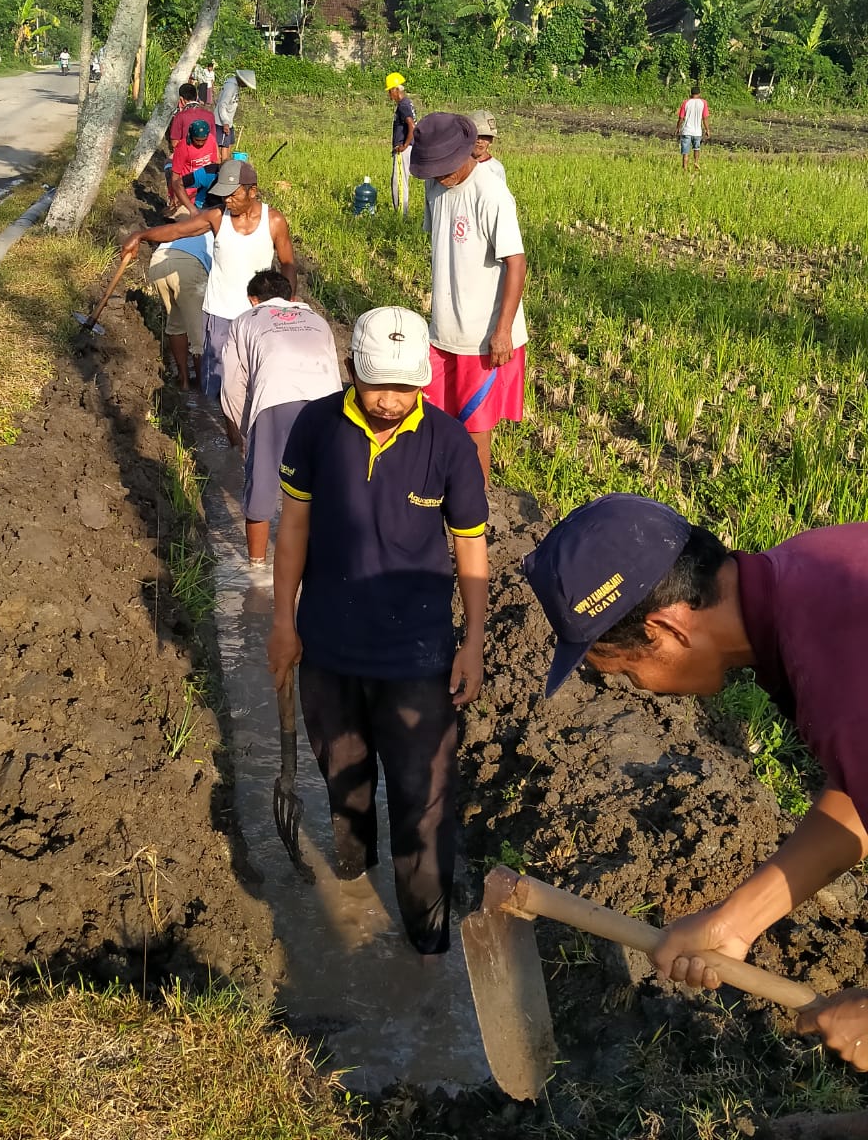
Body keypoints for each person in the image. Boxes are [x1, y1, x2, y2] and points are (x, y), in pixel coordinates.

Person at [521, 492, 868, 1071]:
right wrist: (736, 921)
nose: (640, 690)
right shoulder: (809, 574)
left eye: (627, 669)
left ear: (667, 628)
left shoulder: (843, 681)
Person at [266, 305, 489, 956]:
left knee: (424, 803)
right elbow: (295, 531)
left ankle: (425, 941)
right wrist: (283, 622)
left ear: (423, 379)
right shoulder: (316, 428)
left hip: (418, 655)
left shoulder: (449, 444)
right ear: (350, 372)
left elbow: (470, 546)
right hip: (329, 649)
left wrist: (472, 641)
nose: (390, 400)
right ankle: (353, 881)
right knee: (344, 781)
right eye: (376, 384)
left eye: (404, 386)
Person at [409, 111, 527, 488]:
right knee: (430, 417)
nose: (438, 175)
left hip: (482, 335)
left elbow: (516, 263)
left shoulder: (491, 193)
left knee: (475, 429)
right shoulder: (435, 186)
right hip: (442, 328)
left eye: (443, 166)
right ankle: (437, 493)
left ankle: (474, 510)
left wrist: (503, 330)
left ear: (464, 154)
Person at [121, 159, 296, 403]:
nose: (227, 201)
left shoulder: (274, 221)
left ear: (252, 191)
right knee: (217, 386)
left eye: (233, 195)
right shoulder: (216, 217)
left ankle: (245, 434)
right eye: (223, 195)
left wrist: (287, 304)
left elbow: (288, 264)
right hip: (218, 315)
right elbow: (178, 231)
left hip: (257, 314)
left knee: (254, 382)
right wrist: (141, 235)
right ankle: (228, 435)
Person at [220, 269, 341, 564]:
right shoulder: (317, 320)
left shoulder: (245, 320)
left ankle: (257, 567)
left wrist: (243, 432)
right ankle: (320, 563)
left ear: (253, 300)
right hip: (327, 402)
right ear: (292, 299)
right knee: (322, 484)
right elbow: (334, 370)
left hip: (275, 397)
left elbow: (233, 383)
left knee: (261, 483)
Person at [146, 229, 213, 389]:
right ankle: (203, 386)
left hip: (158, 260)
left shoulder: (199, 224)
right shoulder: (225, 233)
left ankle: (184, 380)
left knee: (176, 321)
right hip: (189, 264)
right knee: (199, 331)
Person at [168, 119, 220, 216]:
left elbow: (215, 163)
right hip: (186, 189)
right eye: (197, 140)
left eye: (203, 140)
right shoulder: (183, 147)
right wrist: (176, 194)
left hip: (203, 190)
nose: (200, 143)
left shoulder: (211, 140)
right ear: (190, 136)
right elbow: (175, 174)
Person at [386, 72, 416, 215]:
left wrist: (405, 145)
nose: (389, 94)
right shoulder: (407, 103)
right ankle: (400, 213)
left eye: (390, 90)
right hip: (404, 149)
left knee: (399, 182)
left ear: (396, 90)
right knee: (399, 181)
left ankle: (401, 216)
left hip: (403, 151)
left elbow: (411, 125)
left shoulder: (403, 105)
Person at [215, 69, 256, 161]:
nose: (245, 86)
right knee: (223, 149)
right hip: (221, 123)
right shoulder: (230, 87)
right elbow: (222, 104)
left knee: (228, 146)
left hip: (228, 122)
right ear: (242, 80)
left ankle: (226, 168)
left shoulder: (235, 86)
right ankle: (221, 171)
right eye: (246, 84)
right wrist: (225, 122)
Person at [168, 82, 216, 148]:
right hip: (206, 156)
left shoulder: (179, 116)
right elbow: (213, 140)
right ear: (196, 97)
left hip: (187, 155)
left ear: (181, 99)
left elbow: (175, 143)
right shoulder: (210, 115)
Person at [676, 85, 710, 171]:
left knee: (685, 152)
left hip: (687, 130)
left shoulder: (686, 102)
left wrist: (678, 128)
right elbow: (705, 118)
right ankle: (696, 162)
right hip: (697, 131)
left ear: (691, 94)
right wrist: (707, 130)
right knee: (696, 148)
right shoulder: (703, 103)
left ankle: (685, 168)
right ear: (699, 94)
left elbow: (681, 118)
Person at [468, 109, 505, 183]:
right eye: (476, 136)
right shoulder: (458, 164)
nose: (480, 141)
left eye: (485, 137)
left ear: (491, 140)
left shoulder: (496, 168)